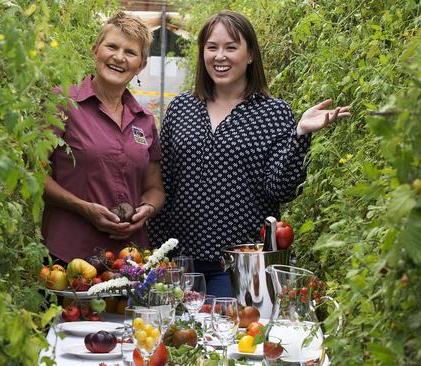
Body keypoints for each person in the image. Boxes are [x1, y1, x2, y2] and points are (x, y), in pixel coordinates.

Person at [148, 10, 350, 297]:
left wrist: (301, 135)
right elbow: (163, 183)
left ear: (250, 54)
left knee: (229, 339)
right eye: (212, 47)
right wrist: (158, 258)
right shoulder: (182, 108)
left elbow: (280, 188)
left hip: (237, 268)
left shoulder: (272, 113)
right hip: (180, 266)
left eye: (231, 47)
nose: (220, 56)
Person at [42, 12, 165, 265]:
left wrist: (147, 210)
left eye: (130, 52)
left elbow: (154, 188)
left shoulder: (144, 120)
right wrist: (84, 208)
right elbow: (33, 175)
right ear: (95, 50)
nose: (119, 57)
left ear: (141, 64)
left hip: (128, 261)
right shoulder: (62, 102)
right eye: (112, 46)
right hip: (69, 257)